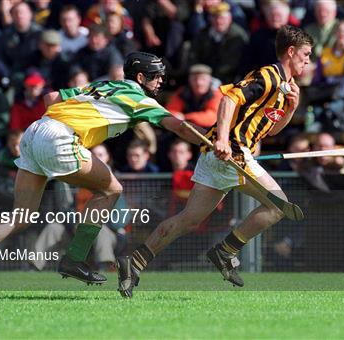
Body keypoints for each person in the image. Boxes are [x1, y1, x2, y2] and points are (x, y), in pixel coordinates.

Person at [0, 51, 205, 299]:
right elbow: (179, 128)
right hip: (60, 138)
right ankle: (75, 258)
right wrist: (212, 142)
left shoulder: (102, 85)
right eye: (155, 75)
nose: (161, 80)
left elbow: (50, 98)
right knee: (112, 190)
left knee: (20, 217)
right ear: (140, 78)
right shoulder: (141, 100)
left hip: (35, 131)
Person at [116, 25, 313, 298]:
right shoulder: (269, 75)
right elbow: (229, 99)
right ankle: (225, 250)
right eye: (305, 54)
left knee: (187, 220)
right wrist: (221, 139)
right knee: (279, 206)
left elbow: (272, 129)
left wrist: (291, 108)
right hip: (230, 152)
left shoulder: (284, 88)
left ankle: (134, 262)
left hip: (218, 157)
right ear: (291, 52)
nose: (308, 61)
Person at [188, 2, 249, 84]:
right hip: (203, 76)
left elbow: (231, 64)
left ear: (229, 18)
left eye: (222, 18)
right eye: (215, 17)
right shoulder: (203, 34)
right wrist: (201, 74)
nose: (219, 21)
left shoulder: (238, 36)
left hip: (229, 80)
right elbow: (194, 55)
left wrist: (213, 79)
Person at [165, 64, 222, 128]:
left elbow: (213, 117)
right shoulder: (182, 92)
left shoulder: (216, 94)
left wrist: (186, 117)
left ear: (209, 80)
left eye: (203, 79)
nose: (199, 83)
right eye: (195, 79)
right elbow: (170, 110)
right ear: (189, 80)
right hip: (184, 128)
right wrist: (176, 116)